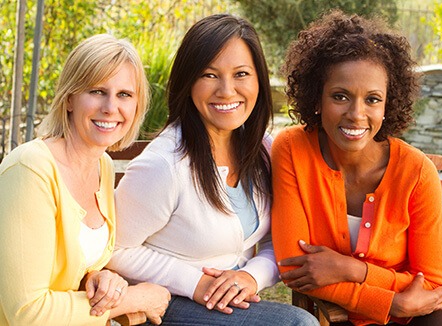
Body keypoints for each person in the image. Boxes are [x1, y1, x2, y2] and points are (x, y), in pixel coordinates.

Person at [106, 14, 319, 326]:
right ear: (188, 81)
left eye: (241, 74)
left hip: (228, 305)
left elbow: (281, 239)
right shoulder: (165, 165)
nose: (227, 90)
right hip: (165, 304)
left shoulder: (263, 149)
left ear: (258, 79)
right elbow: (114, 249)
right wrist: (194, 284)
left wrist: (251, 275)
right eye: (209, 75)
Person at [271, 9, 442, 326]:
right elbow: (293, 267)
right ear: (317, 98)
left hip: (417, 316)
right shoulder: (291, 149)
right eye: (340, 96)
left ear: (388, 104)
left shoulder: (416, 171)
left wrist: (350, 269)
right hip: (342, 315)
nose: (356, 114)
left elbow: (434, 285)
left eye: (372, 99)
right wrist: (390, 302)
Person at [0, 34, 170, 325]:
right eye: (96, 91)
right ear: (69, 99)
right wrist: (133, 298)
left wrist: (100, 278)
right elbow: (27, 313)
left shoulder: (101, 165)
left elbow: (70, 267)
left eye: (124, 95)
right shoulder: (30, 169)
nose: (110, 107)